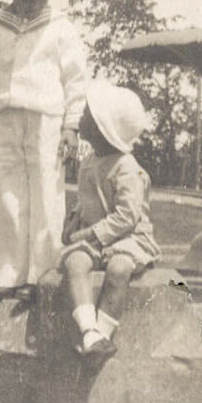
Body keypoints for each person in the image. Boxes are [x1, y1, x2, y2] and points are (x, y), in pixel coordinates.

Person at [0, 0, 87, 302]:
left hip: (45, 119)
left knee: (47, 193)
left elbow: (75, 78)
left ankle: (42, 276)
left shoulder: (60, 28)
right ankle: (7, 276)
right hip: (1, 117)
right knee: (6, 194)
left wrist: (71, 124)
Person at [61, 81, 160, 360]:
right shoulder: (89, 162)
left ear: (104, 128)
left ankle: (102, 335)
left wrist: (91, 233)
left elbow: (127, 216)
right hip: (97, 237)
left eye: (88, 115)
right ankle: (89, 331)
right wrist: (73, 223)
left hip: (127, 237)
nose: (81, 118)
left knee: (119, 269)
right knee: (75, 262)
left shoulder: (126, 167)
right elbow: (85, 201)